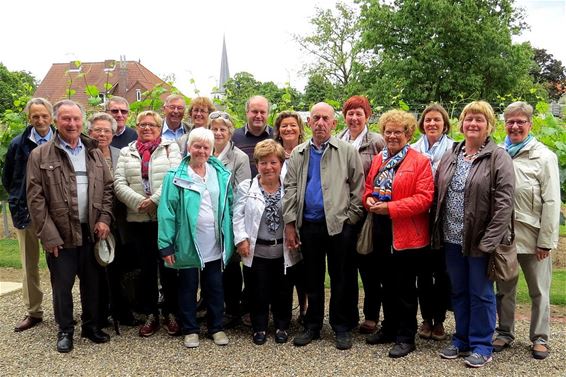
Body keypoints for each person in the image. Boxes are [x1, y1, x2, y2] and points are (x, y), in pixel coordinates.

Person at [26, 100, 114, 353]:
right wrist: (49, 236)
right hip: (61, 236)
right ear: (56, 121)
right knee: (62, 286)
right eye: (66, 119)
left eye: (76, 119)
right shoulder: (40, 155)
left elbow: (107, 189)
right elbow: (36, 199)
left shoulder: (93, 152)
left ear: (82, 121)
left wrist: (104, 219)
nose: (72, 124)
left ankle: (91, 326)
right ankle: (65, 330)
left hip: (91, 232)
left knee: (92, 283)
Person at [433, 100, 515, 368]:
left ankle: (481, 344)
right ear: (461, 123)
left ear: (489, 125)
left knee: (480, 292)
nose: (473, 124)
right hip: (451, 237)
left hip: (480, 240)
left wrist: (489, 241)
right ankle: (462, 338)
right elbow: (439, 194)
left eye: (479, 119)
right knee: (458, 291)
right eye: (469, 119)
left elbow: (504, 204)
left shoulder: (498, 157)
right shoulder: (452, 154)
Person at [283, 102, 364, 350]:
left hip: (339, 226)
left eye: (325, 118)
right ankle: (313, 325)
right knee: (313, 278)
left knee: (340, 278)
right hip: (309, 225)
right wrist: (290, 223)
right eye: (315, 118)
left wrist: (350, 219)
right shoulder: (298, 153)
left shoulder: (347, 151)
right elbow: (290, 188)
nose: (320, 122)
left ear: (333, 123)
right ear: (308, 123)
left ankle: (340, 326)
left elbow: (358, 188)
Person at [362, 109, 434, 358]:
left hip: (407, 234)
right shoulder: (379, 159)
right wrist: (369, 199)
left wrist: (390, 208)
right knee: (386, 285)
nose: (392, 136)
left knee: (404, 288)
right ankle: (390, 328)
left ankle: (406, 336)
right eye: (388, 131)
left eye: (397, 132)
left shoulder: (419, 161)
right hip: (382, 230)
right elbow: (369, 187)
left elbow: (424, 199)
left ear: (408, 133)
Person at [493, 101, 560, 360]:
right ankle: (505, 332)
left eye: (521, 121)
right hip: (505, 238)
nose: (515, 126)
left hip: (533, 238)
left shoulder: (544, 157)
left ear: (530, 124)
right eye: (510, 121)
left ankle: (540, 337)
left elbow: (552, 202)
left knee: (539, 290)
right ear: (504, 124)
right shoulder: (499, 153)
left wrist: (546, 241)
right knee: (505, 289)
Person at [158, 128, 233, 348]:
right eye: (197, 146)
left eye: (205, 147)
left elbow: (228, 206)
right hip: (187, 243)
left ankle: (216, 327)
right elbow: (167, 212)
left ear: (211, 150)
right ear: (189, 147)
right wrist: (166, 245)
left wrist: (230, 238)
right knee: (188, 287)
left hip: (214, 243)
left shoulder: (219, 174)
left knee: (215, 287)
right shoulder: (176, 177)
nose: (201, 150)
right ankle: (190, 329)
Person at [114, 110, 182, 337]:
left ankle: (171, 312)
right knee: (146, 269)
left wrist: (154, 201)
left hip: (165, 218)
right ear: (137, 126)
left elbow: (175, 175)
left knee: (169, 266)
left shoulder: (170, 148)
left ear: (159, 127)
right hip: (138, 219)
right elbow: (119, 182)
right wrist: (138, 202)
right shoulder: (127, 151)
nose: (146, 128)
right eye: (142, 124)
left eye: (152, 125)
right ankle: (151, 313)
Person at [233, 140, 302, 345]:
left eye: (273, 162)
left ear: (281, 163)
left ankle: (281, 326)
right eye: (263, 163)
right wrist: (241, 239)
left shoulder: (288, 187)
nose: (268, 167)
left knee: (283, 290)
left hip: (283, 250)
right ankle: (259, 327)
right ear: (257, 164)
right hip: (257, 250)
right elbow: (237, 216)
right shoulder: (247, 187)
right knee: (257, 291)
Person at [2, 98, 54, 332]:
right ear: (29, 118)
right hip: (26, 213)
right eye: (35, 116)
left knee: (60, 265)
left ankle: (63, 310)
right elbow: (9, 178)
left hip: (56, 214)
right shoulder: (17, 144)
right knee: (29, 265)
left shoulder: (62, 140)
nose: (40, 120)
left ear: (51, 116)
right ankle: (34, 311)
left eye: (44, 115)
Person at [337, 95, 385, 335]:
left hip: (368, 214)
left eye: (359, 113)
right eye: (350, 113)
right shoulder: (337, 141)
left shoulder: (377, 142)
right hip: (342, 214)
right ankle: (349, 315)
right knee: (346, 268)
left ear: (368, 116)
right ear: (344, 116)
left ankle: (371, 315)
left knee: (369, 267)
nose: (354, 118)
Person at [87, 112, 139, 327]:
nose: (102, 134)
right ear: (90, 132)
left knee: (118, 268)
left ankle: (121, 309)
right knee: (96, 269)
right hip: (94, 219)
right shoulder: (85, 155)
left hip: (121, 220)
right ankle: (97, 312)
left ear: (112, 133)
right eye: (97, 130)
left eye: (106, 130)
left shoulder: (121, 154)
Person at [411, 103, 454, 341]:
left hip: (443, 219)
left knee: (443, 273)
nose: (432, 124)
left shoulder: (454, 150)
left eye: (437, 120)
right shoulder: (413, 149)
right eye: (428, 120)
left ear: (445, 124)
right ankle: (425, 319)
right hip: (419, 219)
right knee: (423, 274)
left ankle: (439, 320)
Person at [208, 110, 252, 327]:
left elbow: (242, 193)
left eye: (222, 129)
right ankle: (213, 306)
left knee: (231, 266)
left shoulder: (239, 158)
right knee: (209, 264)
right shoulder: (203, 153)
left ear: (230, 133)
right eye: (214, 129)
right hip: (206, 220)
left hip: (229, 219)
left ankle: (232, 309)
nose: (218, 133)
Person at [273, 111, 307, 324]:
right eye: (284, 126)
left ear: (300, 129)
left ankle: (304, 307)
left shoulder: (307, 151)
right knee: (280, 265)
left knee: (303, 265)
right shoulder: (274, 152)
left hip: (302, 215)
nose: (288, 129)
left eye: (292, 125)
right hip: (276, 215)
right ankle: (280, 309)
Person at [232, 95, 273, 177]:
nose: (258, 116)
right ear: (246, 113)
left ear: (268, 114)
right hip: (241, 188)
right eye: (254, 112)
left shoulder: (277, 136)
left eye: (262, 112)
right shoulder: (233, 137)